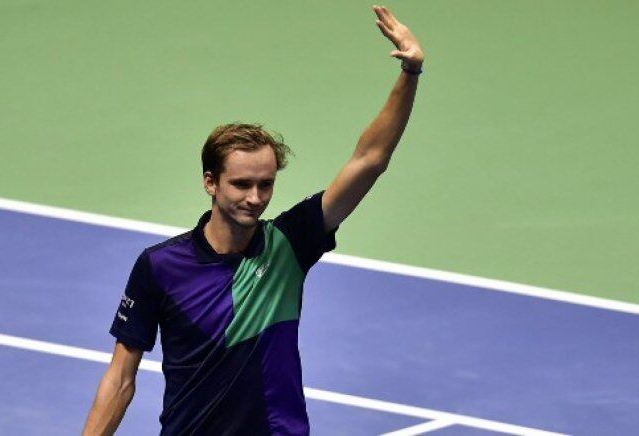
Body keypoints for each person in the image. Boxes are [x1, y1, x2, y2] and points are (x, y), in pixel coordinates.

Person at [83, 5, 423, 435]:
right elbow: (120, 379)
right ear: (210, 182)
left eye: (266, 184)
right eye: (242, 184)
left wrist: (410, 73)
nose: (255, 198)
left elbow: (370, 159)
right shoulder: (160, 266)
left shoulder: (289, 244)